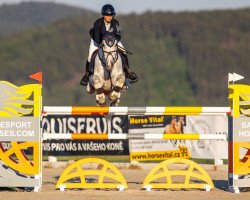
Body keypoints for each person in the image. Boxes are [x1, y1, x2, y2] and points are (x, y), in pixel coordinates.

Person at [80, 4, 138, 87]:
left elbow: (118, 36)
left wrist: (112, 42)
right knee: (90, 56)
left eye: (111, 15)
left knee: (124, 52)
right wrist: (105, 42)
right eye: (107, 15)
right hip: (97, 41)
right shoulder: (97, 23)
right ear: (103, 15)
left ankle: (128, 73)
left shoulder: (115, 23)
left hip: (112, 41)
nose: (109, 17)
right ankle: (87, 75)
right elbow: (97, 38)